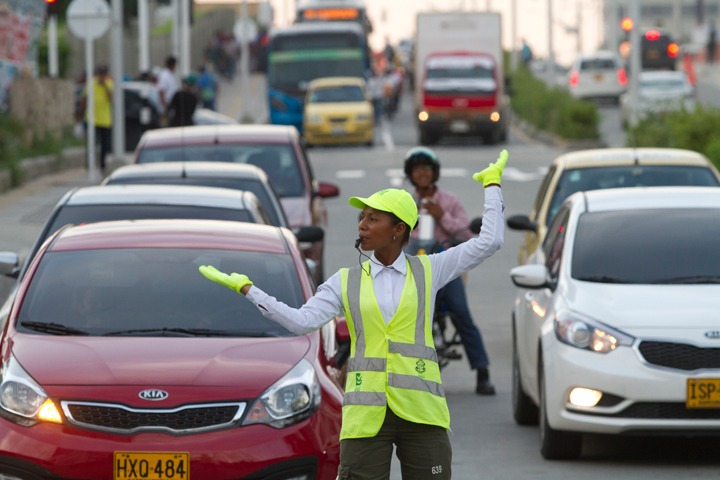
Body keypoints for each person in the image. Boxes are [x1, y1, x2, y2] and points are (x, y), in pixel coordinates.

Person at [198, 150, 508, 479]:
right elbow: (300, 321)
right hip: (366, 417)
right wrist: (249, 290)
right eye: (362, 217)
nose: (362, 224)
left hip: (422, 414)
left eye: (373, 218)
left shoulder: (429, 269)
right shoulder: (345, 281)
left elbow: (489, 240)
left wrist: (492, 183)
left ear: (398, 229)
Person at [403, 146, 496, 395]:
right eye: (417, 169)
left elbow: (467, 234)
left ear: (434, 173)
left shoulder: (450, 201)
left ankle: (482, 371)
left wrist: (442, 215)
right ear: (410, 174)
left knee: (461, 312)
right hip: (414, 269)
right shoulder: (404, 202)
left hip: (445, 266)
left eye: (426, 169)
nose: (422, 173)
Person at [77, 65, 113, 173]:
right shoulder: (91, 83)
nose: (101, 75)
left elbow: (111, 98)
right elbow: (84, 98)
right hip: (92, 119)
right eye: (100, 73)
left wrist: (105, 85)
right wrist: (80, 113)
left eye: (103, 73)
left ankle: (102, 165)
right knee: (91, 143)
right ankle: (90, 164)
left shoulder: (109, 83)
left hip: (105, 119)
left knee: (105, 144)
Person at [157, 55, 178, 123]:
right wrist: (166, 106)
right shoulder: (164, 75)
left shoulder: (170, 75)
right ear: (172, 65)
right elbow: (161, 92)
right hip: (166, 109)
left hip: (171, 108)